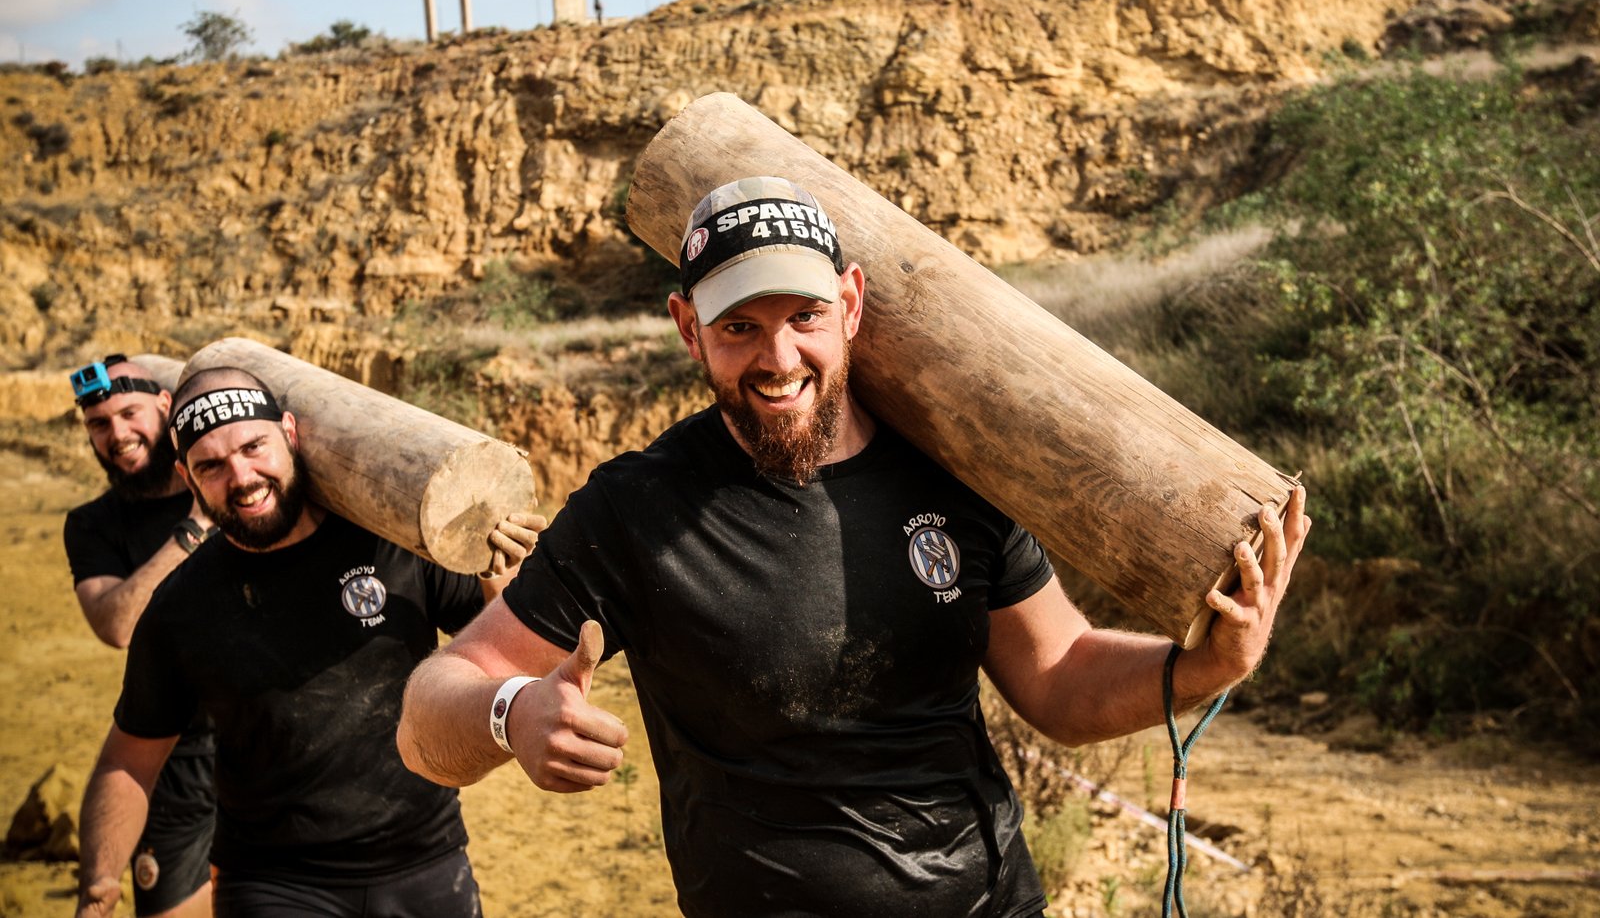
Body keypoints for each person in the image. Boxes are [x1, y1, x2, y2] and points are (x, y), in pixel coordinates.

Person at [396, 176, 1312, 917]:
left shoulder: (957, 472)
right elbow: (427, 712)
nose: (778, 357)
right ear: (687, 328)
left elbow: (1059, 676)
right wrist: (512, 711)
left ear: (852, 303)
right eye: (739, 326)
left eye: (804, 316)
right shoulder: (638, 508)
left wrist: (1207, 666)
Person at [75, 366, 545, 918]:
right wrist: (99, 885)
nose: (242, 477)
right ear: (187, 477)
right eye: (211, 466)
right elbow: (128, 762)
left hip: (426, 857)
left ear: (290, 434)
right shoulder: (180, 607)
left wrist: (500, 567)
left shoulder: (395, 543)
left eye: (253, 447)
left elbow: (504, 659)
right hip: (275, 883)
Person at [64, 354, 218, 918]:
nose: (117, 435)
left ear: (165, 406)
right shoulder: (93, 523)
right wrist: (196, 527)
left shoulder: (231, 479)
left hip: (272, 744)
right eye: (99, 424)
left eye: (130, 414)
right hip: (170, 754)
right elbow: (117, 624)